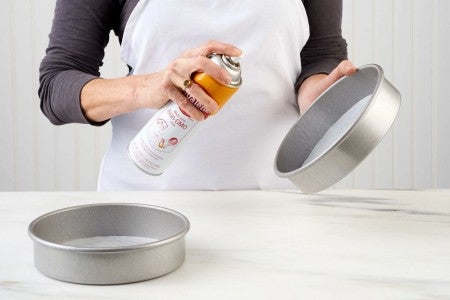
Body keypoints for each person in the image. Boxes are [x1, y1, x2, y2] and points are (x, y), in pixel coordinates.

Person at [39, 0, 356, 191]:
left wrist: (318, 95)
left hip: (276, 200)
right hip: (146, 206)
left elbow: (321, 53)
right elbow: (57, 84)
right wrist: (149, 86)